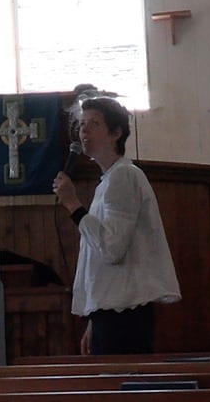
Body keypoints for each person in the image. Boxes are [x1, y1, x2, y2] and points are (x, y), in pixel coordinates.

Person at [51, 94, 182, 355]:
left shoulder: (123, 176)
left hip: (125, 316)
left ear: (116, 132)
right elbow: (99, 260)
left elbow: (112, 249)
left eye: (94, 123)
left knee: (122, 389)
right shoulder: (109, 180)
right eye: (82, 123)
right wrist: (94, 314)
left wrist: (73, 204)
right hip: (111, 311)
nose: (83, 130)